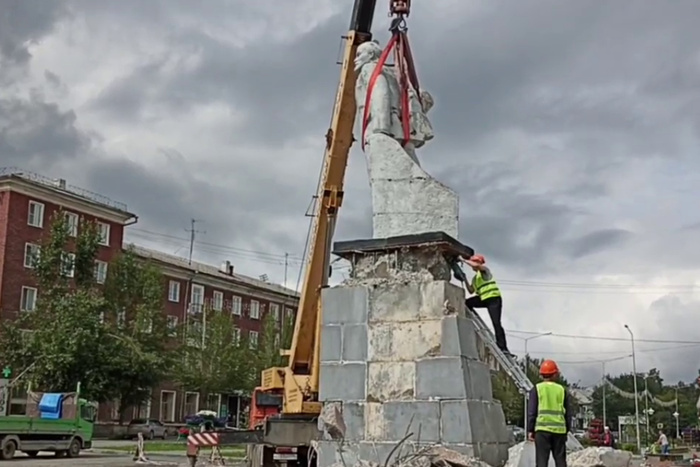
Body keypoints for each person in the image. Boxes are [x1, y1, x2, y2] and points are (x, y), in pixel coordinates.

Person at [462, 254, 510, 354]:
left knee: (496, 323)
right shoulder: (475, 279)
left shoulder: (485, 271)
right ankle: (471, 317)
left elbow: (476, 266)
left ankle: (503, 346)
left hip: (493, 299)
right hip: (484, 299)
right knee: (467, 303)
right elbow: (471, 290)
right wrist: (464, 278)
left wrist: (462, 260)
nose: (473, 265)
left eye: (475, 262)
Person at [527, 359, 571, 467]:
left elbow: (532, 412)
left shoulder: (536, 389)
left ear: (541, 374)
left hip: (542, 431)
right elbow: (568, 414)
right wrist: (566, 430)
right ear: (555, 374)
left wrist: (530, 429)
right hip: (559, 431)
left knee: (542, 462)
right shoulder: (562, 390)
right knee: (560, 461)